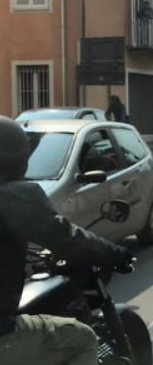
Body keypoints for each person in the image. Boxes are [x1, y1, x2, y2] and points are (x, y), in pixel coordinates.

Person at [0, 116, 134, 365]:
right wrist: (117, 254)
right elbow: (67, 238)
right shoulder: (17, 196)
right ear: (18, 160)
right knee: (83, 339)